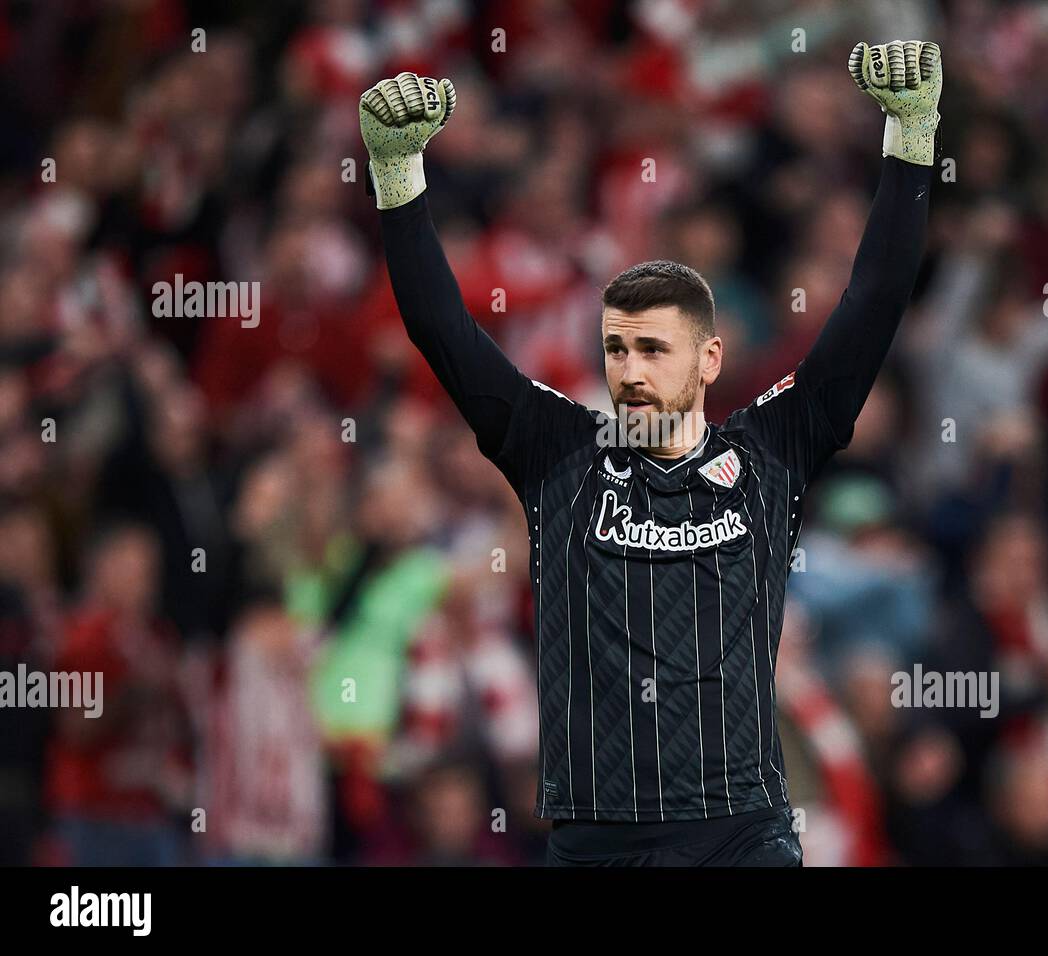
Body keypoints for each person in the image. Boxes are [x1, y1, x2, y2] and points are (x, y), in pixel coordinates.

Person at [357, 40, 941, 866]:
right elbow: (442, 331)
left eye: (653, 351)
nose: (629, 372)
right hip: (599, 842)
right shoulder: (558, 453)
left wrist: (910, 140)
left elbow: (875, 301)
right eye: (617, 350)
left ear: (708, 360)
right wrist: (398, 180)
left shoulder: (771, 449)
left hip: (741, 834)